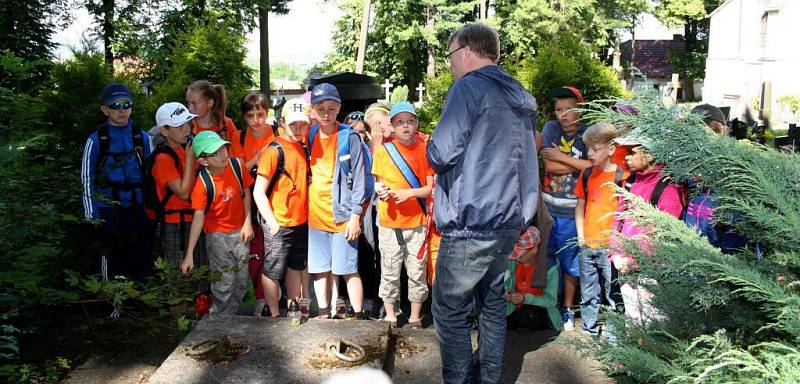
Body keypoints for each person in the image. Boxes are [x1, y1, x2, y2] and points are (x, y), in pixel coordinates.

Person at [427, 23, 539, 383]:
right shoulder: (518, 94)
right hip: (509, 219)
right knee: (492, 305)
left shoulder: (468, 88)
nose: (449, 65)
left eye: (450, 56)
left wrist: (432, 142)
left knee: (449, 310)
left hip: (470, 220)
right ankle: (489, 379)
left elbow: (441, 153)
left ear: (466, 51)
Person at [307, 83, 371, 320]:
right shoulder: (311, 133)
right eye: (320, 108)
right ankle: (324, 311)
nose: (326, 113)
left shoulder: (349, 137)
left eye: (331, 108)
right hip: (316, 215)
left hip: (343, 217)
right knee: (320, 269)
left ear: (339, 108)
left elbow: (361, 179)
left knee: (347, 269)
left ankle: (358, 314)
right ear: (312, 109)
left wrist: (356, 216)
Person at [82, 82, 154, 285]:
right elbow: (86, 179)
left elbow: (152, 174)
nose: (122, 110)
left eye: (126, 104)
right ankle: (116, 304)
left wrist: (153, 207)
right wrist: (91, 214)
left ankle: (139, 300)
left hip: (138, 206)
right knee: (114, 255)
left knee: (141, 253)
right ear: (105, 109)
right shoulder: (97, 140)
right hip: (108, 209)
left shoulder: (142, 137)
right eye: (115, 105)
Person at [371, 102, 434, 328]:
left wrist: (409, 194)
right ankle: (390, 314)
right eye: (399, 122)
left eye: (409, 121)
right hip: (390, 223)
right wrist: (381, 190)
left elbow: (430, 188)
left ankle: (415, 316)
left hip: (417, 223)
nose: (405, 126)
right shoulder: (382, 152)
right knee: (389, 270)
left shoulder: (425, 150)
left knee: (417, 271)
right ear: (392, 126)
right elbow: (378, 184)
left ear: (416, 124)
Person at [181, 131, 255, 314]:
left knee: (241, 281)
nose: (223, 155)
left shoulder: (237, 165)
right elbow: (198, 218)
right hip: (217, 237)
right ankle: (218, 320)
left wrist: (248, 222)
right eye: (215, 153)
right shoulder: (203, 183)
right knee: (224, 283)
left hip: (240, 233)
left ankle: (232, 317)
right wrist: (189, 253)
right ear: (203, 161)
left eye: (223, 149)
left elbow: (245, 193)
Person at [610, 139, 683, 324]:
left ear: (650, 155)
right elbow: (619, 219)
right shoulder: (630, 182)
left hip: (652, 271)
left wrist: (632, 259)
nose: (626, 157)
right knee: (633, 320)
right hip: (624, 266)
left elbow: (663, 234)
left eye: (632, 152)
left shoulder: (667, 188)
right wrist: (614, 253)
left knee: (654, 323)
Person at [253, 98, 312, 324]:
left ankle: (292, 305)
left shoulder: (303, 146)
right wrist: (273, 223)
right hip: (279, 221)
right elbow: (259, 191)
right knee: (273, 270)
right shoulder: (273, 150)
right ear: (282, 122)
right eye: (293, 124)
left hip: (300, 221)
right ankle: (273, 311)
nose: (298, 129)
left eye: (303, 125)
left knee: (296, 265)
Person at [539, 85, 591, 331]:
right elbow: (549, 167)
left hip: (573, 213)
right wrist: (581, 164)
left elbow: (594, 166)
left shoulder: (588, 135)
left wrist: (562, 157)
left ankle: (568, 308)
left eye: (569, 109)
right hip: (548, 210)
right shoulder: (550, 128)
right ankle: (549, 304)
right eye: (559, 109)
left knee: (572, 264)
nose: (563, 115)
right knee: (548, 261)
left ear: (580, 109)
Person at [573, 123, 626, 336]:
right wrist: (580, 237)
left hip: (610, 247)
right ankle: (589, 330)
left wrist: (619, 245)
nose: (590, 153)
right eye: (588, 149)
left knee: (612, 292)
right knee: (587, 291)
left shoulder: (622, 176)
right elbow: (580, 205)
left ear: (611, 149)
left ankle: (615, 337)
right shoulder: (586, 174)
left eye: (595, 149)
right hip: (588, 243)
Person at [235, 91, 277, 317]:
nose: (256, 120)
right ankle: (260, 297)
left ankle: (279, 297)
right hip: (250, 200)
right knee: (255, 253)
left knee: (277, 252)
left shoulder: (278, 133)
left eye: (260, 114)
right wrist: (259, 156)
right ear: (244, 117)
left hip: (276, 199)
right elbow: (238, 173)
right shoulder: (240, 138)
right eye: (250, 115)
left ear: (267, 113)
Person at [150, 102, 205, 269]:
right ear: (164, 131)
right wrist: (190, 159)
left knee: (199, 271)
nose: (186, 129)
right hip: (174, 224)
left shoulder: (184, 149)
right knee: (178, 274)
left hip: (194, 219)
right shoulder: (163, 159)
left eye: (187, 123)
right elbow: (183, 193)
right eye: (179, 126)